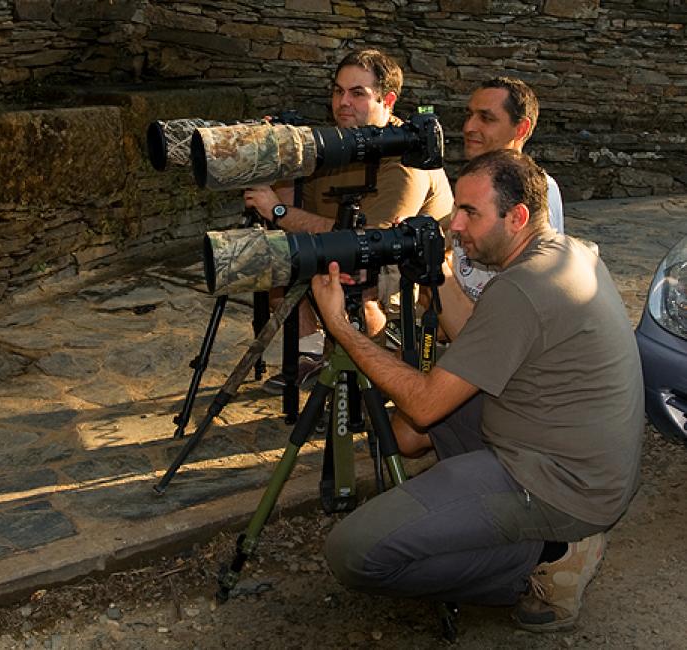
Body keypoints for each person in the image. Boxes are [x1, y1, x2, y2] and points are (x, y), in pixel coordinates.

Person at [312, 149, 642, 631]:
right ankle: (496, 526)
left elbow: (425, 406)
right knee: (405, 435)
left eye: (471, 213)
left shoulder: (521, 288)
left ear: (519, 216)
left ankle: (545, 559)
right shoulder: (565, 252)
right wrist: (439, 271)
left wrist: (341, 325)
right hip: (580, 460)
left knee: (352, 553)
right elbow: (479, 344)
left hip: (560, 488)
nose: (455, 226)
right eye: (456, 210)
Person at [243, 48, 452, 391]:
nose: (343, 102)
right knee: (271, 260)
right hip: (341, 244)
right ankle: (312, 355)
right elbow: (299, 211)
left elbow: (372, 239)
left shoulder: (403, 159)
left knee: (361, 283)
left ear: (388, 100)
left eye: (357, 93)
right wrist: (273, 157)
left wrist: (280, 212)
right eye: (338, 91)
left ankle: (369, 376)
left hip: (401, 262)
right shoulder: (341, 144)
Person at [440, 76, 565, 340]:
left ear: (521, 129)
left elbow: (526, 299)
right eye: (470, 115)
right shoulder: (480, 183)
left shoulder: (538, 193)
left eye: (486, 118)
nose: (469, 127)